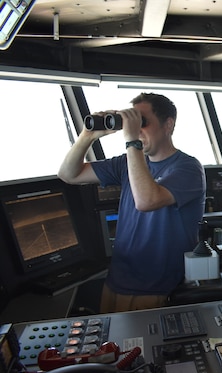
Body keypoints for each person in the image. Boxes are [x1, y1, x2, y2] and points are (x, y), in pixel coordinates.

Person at [58, 92, 205, 313]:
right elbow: (69, 175)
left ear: (168, 125)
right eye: (132, 123)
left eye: (142, 123)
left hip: (154, 289)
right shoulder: (127, 163)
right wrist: (87, 136)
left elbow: (146, 200)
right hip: (116, 282)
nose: (136, 130)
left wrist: (132, 141)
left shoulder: (188, 168)